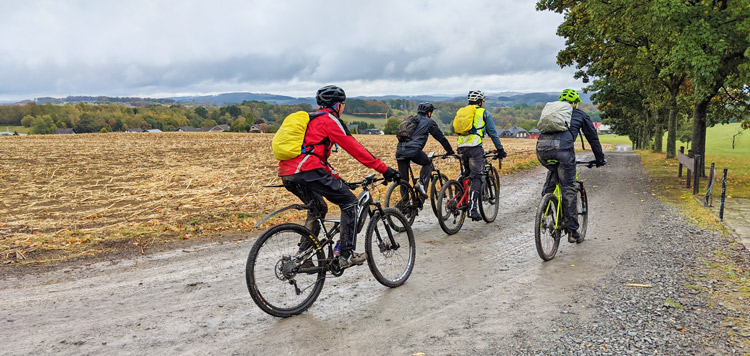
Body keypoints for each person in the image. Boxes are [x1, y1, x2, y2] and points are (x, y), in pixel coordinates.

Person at [278, 85, 400, 268]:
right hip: (308, 171)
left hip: (288, 173)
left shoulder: (313, 120)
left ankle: (303, 256)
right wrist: (384, 169)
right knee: (350, 203)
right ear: (338, 105)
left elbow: (315, 156)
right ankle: (346, 254)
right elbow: (356, 149)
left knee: (318, 208)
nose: (343, 108)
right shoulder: (329, 120)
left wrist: (338, 179)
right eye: (343, 105)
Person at [536, 88, 606, 243]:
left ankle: (545, 210)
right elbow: (592, 138)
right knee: (568, 187)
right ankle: (573, 231)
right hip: (563, 153)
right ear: (575, 104)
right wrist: (600, 159)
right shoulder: (580, 114)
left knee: (554, 175)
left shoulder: (552, 114)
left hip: (542, 151)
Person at [456, 90, 507, 221]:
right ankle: (472, 209)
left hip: (461, 146)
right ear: (480, 101)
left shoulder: (463, 111)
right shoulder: (483, 112)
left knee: (466, 173)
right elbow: (493, 133)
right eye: (484, 101)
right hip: (474, 148)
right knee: (477, 176)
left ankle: (457, 196)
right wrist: (500, 149)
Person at [395, 102, 455, 197]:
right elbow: (440, 138)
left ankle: (405, 205)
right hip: (413, 151)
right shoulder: (429, 122)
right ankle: (421, 183)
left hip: (400, 151)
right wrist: (450, 151)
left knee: (404, 180)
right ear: (429, 113)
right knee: (427, 163)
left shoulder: (411, 120)